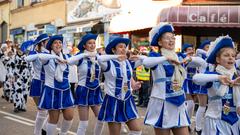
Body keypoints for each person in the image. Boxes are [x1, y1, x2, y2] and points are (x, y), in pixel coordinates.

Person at [143, 23, 205, 135]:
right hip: (162, 103)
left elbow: (203, 63)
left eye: (173, 38)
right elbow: (146, 63)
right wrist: (166, 57)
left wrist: (189, 59)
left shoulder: (180, 57)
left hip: (179, 103)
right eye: (167, 38)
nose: (171, 40)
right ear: (160, 42)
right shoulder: (156, 57)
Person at [193, 35, 240, 135]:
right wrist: (218, 78)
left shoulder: (235, 77)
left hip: (234, 122)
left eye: (233, 55)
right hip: (215, 121)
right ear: (218, 60)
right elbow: (196, 78)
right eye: (226, 55)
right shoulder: (213, 75)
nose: (231, 57)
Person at [97, 36, 144, 135]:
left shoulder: (128, 63)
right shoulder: (108, 63)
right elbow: (99, 58)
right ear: (114, 50)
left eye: (125, 47)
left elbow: (145, 60)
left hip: (127, 99)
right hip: (113, 100)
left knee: (137, 130)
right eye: (120, 47)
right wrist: (116, 57)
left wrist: (134, 85)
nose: (123, 49)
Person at [67, 33, 104, 135]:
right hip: (83, 90)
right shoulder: (80, 57)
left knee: (101, 119)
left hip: (95, 90)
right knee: (84, 123)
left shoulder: (98, 57)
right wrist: (84, 54)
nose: (92, 45)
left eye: (93, 43)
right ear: (84, 45)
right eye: (89, 43)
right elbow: (69, 61)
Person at [38, 35, 74, 135]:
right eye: (55, 42)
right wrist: (55, 56)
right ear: (51, 46)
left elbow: (77, 58)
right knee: (54, 118)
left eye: (60, 42)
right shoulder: (47, 57)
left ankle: (62, 133)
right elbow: (39, 56)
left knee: (69, 116)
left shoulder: (66, 56)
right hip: (52, 91)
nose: (58, 44)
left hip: (66, 90)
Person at [25, 33, 49, 135]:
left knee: (52, 110)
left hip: (48, 83)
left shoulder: (50, 53)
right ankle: (38, 132)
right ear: (42, 43)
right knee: (42, 110)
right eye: (47, 41)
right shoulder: (33, 53)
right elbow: (27, 59)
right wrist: (39, 54)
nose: (49, 43)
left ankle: (44, 128)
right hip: (38, 83)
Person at [194, 39, 211, 134]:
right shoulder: (200, 56)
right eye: (207, 47)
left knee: (211, 107)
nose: (209, 49)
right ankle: (198, 128)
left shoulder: (210, 58)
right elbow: (198, 51)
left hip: (211, 83)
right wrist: (210, 51)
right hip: (202, 84)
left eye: (210, 47)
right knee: (202, 106)